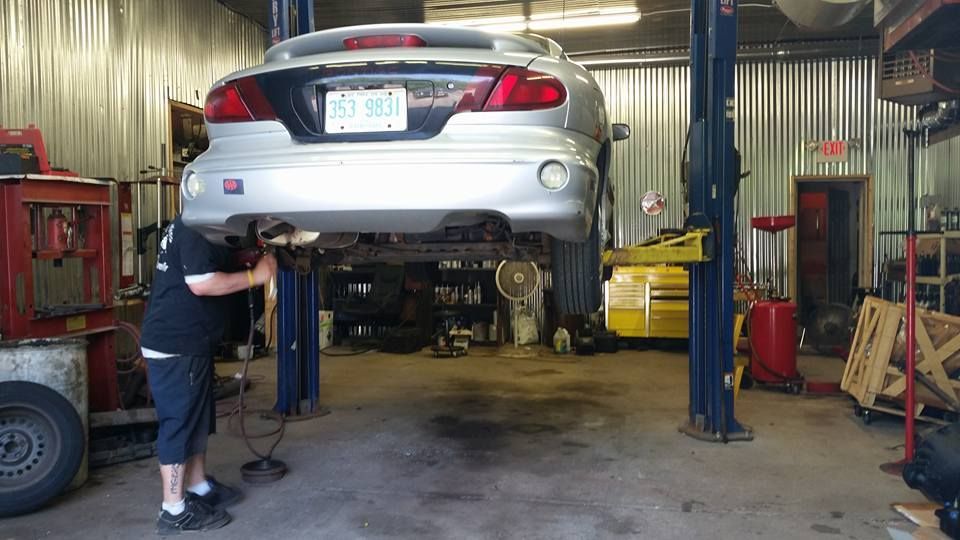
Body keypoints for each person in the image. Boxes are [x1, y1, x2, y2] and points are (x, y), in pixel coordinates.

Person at [140, 214, 277, 535]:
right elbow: (201, 282)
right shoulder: (194, 229)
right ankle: (173, 510)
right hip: (175, 345)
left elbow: (209, 263)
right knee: (180, 422)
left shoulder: (201, 227)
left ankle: (199, 486)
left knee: (199, 419)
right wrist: (254, 277)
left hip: (192, 343)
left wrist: (244, 258)